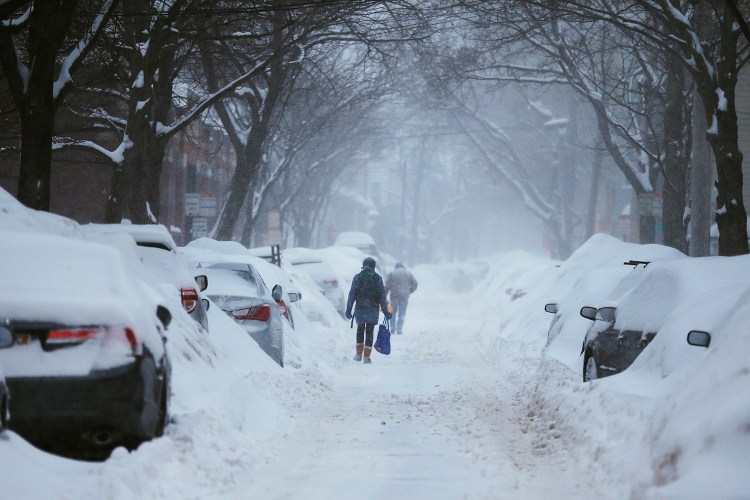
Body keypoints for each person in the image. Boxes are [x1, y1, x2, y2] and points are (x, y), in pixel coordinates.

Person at [345, 257, 391, 364]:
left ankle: (358, 354)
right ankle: (366, 356)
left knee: (360, 329)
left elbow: (352, 294)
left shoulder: (357, 277)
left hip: (360, 308)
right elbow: (382, 297)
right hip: (373, 309)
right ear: (373, 266)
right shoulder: (377, 278)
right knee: (370, 331)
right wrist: (386, 311)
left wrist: (348, 309)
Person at [385, 262, 418, 335]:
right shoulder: (408, 273)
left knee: (392, 313)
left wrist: (384, 296)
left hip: (394, 297)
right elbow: (415, 284)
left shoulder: (392, 273)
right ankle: (399, 329)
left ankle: (392, 328)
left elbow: (387, 286)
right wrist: (409, 291)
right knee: (402, 313)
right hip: (404, 297)